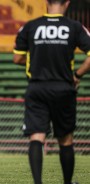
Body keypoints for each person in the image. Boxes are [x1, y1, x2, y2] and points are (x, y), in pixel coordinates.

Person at [13, 0, 90, 183]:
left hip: (37, 87)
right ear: (67, 3)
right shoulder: (75, 27)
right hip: (63, 87)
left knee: (36, 136)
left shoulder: (31, 26)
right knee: (65, 140)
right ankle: (67, 182)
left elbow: (17, 58)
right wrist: (77, 75)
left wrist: (39, 62)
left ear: (46, 2)